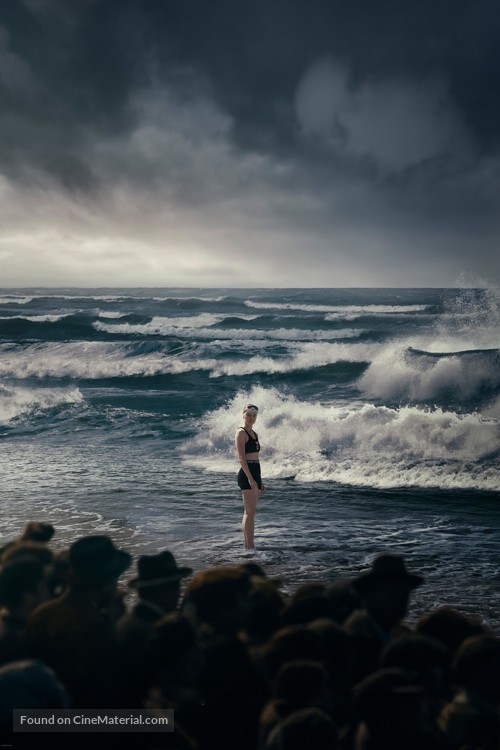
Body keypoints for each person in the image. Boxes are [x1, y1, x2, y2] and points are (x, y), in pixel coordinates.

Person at [235, 403, 265, 550]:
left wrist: (259, 480)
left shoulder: (255, 434)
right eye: (248, 415)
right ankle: (250, 547)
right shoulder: (241, 433)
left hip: (255, 472)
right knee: (249, 512)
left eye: (254, 416)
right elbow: (241, 458)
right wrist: (250, 479)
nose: (251, 418)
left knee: (250, 512)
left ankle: (248, 545)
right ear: (243, 415)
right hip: (247, 474)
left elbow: (256, 459)